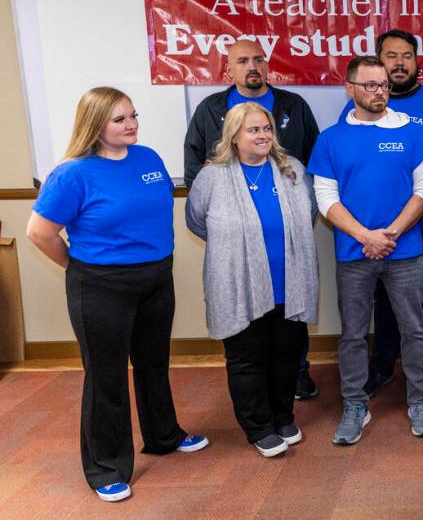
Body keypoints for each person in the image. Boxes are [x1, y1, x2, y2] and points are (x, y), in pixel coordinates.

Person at [26, 87, 208, 503]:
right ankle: (106, 466)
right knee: (106, 377)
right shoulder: (73, 173)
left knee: (153, 363)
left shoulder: (148, 159)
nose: (132, 125)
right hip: (101, 284)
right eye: (120, 120)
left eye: (133, 116)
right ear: (96, 126)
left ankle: (163, 435)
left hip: (156, 277)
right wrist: (79, 267)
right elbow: (40, 232)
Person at [308, 56, 423, 444]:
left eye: (383, 85)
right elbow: (325, 198)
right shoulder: (330, 139)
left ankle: (420, 401)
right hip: (354, 255)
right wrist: (367, 236)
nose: (379, 91)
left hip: (405, 251)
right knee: (351, 335)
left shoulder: (412, 131)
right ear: (349, 89)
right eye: (370, 85)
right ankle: (354, 405)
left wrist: (391, 233)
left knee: (415, 330)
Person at [182, 39, 322, 400]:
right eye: (242, 60)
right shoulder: (210, 110)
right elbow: (197, 198)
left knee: (288, 324)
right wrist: (230, 223)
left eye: (258, 58)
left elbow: (310, 178)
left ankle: (297, 376)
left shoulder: (294, 106)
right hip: (237, 250)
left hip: (286, 247)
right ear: (229, 68)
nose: (252, 66)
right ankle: (258, 405)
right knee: (249, 338)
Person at [185, 102, 318, 458]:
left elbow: (310, 211)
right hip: (238, 285)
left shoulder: (292, 170)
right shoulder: (212, 177)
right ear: (233, 135)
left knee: (287, 354)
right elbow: (197, 221)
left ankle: (282, 415)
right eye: (253, 130)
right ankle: (258, 426)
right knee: (247, 358)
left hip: (289, 282)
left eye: (266, 129)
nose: (262, 136)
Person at [337, 30, 423, 401]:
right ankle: (383, 367)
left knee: (422, 306)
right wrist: (368, 232)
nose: (400, 63)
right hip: (370, 232)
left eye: (407, 55)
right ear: (379, 61)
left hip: (421, 224)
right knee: (382, 303)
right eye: (392, 56)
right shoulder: (353, 111)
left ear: (418, 61)